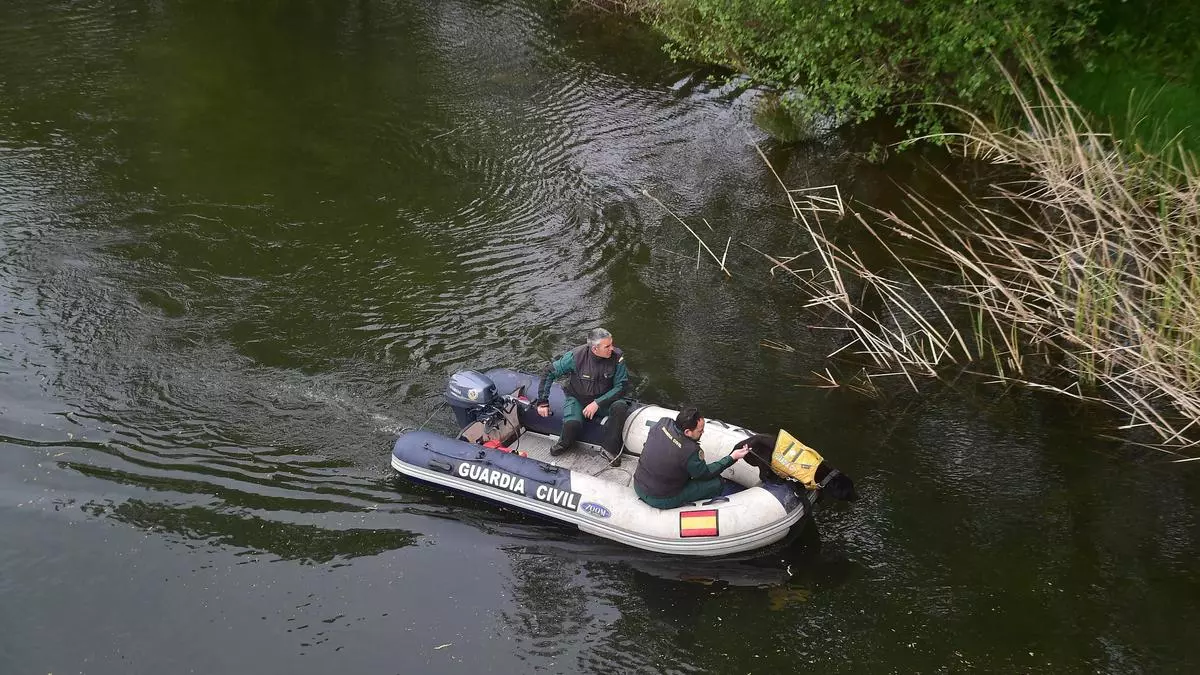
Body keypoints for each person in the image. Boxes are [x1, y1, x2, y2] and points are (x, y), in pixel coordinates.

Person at [536, 327, 631, 463]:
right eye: (607, 346)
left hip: (605, 400)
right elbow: (549, 372)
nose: (612, 348)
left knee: (620, 406)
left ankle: (609, 450)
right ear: (594, 349)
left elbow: (621, 386)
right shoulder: (575, 357)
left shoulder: (617, 357)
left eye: (612, 344)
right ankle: (565, 443)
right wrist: (542, 402)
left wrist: (597, 403)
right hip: (578, 397)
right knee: (572, 424)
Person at [633, 406, 750, 509]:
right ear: (688, 432)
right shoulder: (690, 451)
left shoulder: (663, 423)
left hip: (638, 484)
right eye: (700, 430)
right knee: (716, 483)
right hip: (660, 498)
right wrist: (732, 457)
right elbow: (705, 474)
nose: (703, 432)